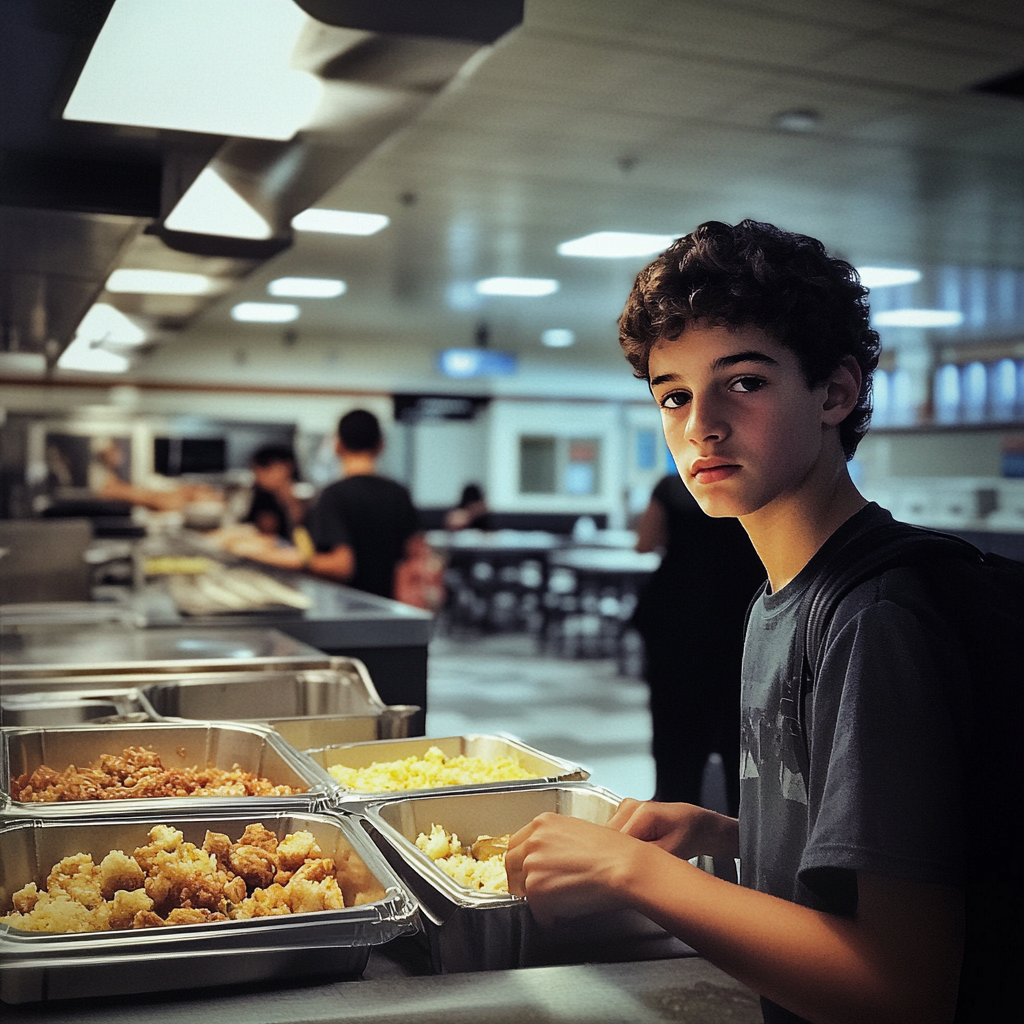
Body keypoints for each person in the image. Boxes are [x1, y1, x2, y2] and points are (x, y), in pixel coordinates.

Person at [506, 220, 991, 1023]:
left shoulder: (875, 616)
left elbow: (903, 989)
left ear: (835, 392)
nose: (700, 425)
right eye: (674, 395)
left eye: (746, 382)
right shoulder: (779, 598)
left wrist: (640, 875)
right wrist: (732, 834)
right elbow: (883, 858)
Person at [633, 471, 764, 811]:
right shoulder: (759, 480)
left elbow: (645, 542)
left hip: (677, 619)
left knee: (676, 738)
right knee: (742, 738)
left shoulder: (672, 486)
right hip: (744, 616)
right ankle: (744, 837)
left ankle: (674, 828)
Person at [306, 409, 421, 599]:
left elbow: (341, 566)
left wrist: (288, 559)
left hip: (348, 609)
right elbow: (415, 552)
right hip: (395, 609)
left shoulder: (333, 495)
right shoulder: (399, 493)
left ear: (338, 445)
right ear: (381, 445)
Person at [244, 443, 307, 540]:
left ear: (288, 468)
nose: (257, 476)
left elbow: (302, 529)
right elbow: (268, 531)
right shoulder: (262, 495)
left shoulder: (305, 497)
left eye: (264, 470)